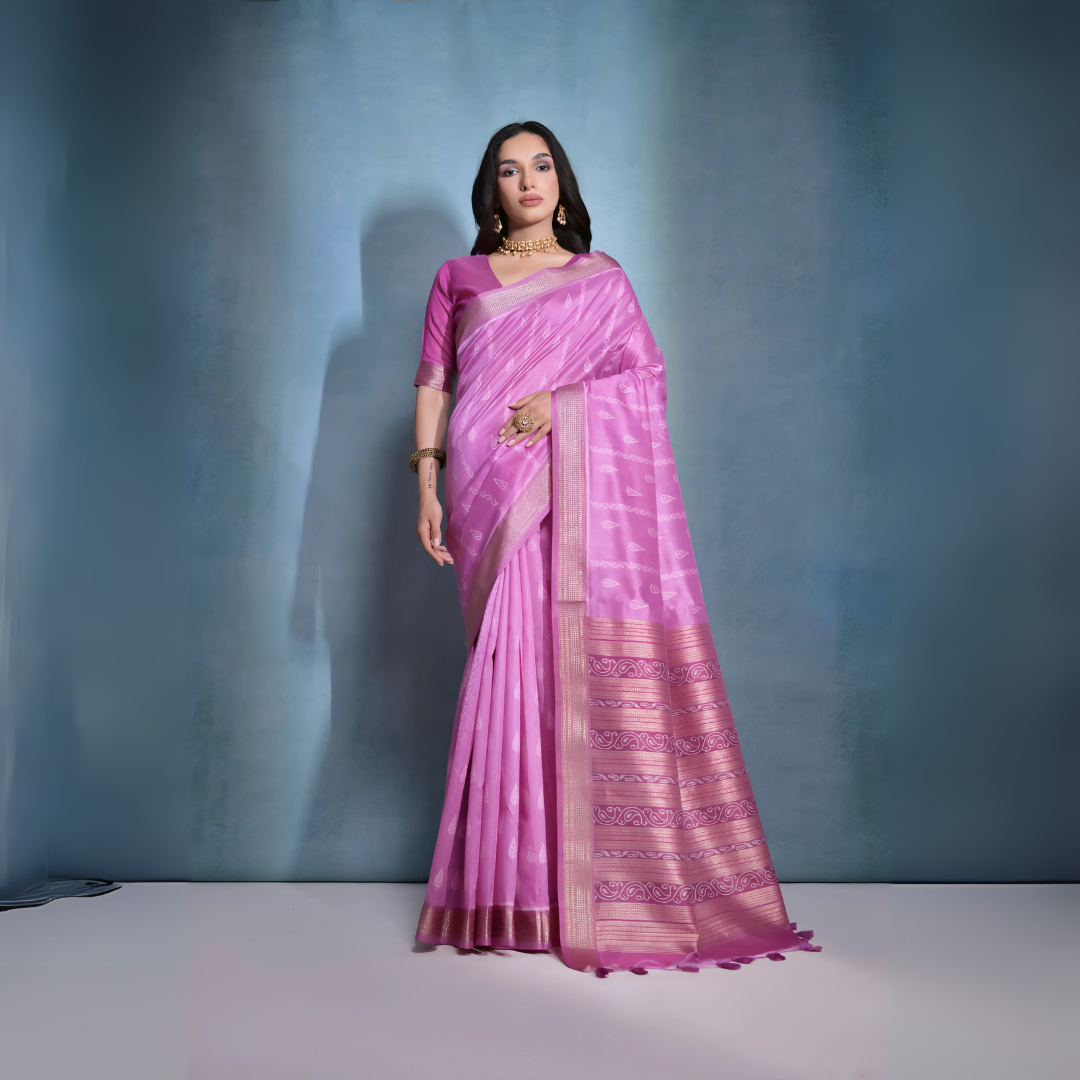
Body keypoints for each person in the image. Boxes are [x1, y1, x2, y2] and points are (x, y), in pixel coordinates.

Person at [410, 121, 818, 975]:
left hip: (570, 484)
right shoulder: (459, 277)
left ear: (562, 178)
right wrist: (425, 483)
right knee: (509, 666)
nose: (529, 181)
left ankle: (582, 890)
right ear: (490, 187)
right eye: (510, 169)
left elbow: (645, 382)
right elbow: (435, 383)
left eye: (543, 165)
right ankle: (508, 894)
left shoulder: (603, 281)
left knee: (568, 668)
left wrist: (561, 407)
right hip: (487, 487)